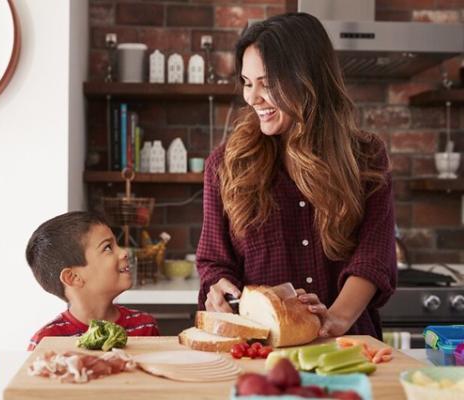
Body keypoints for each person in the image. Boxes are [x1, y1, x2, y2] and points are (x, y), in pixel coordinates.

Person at [197, 13, 396, 340]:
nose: (252, 97)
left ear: (307, 79)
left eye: (267, 83)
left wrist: (334, 320)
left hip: (344, 346)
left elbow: (373, 256)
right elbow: (214, 261)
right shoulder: (224, 165)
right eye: (248, 83)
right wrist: (218, 289)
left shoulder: (365, 157)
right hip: (260, 348)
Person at [26, 211, 159, 350]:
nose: (124, 252)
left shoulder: (145, 326)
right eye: (107, 247)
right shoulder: (46, 342)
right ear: (73, 277)